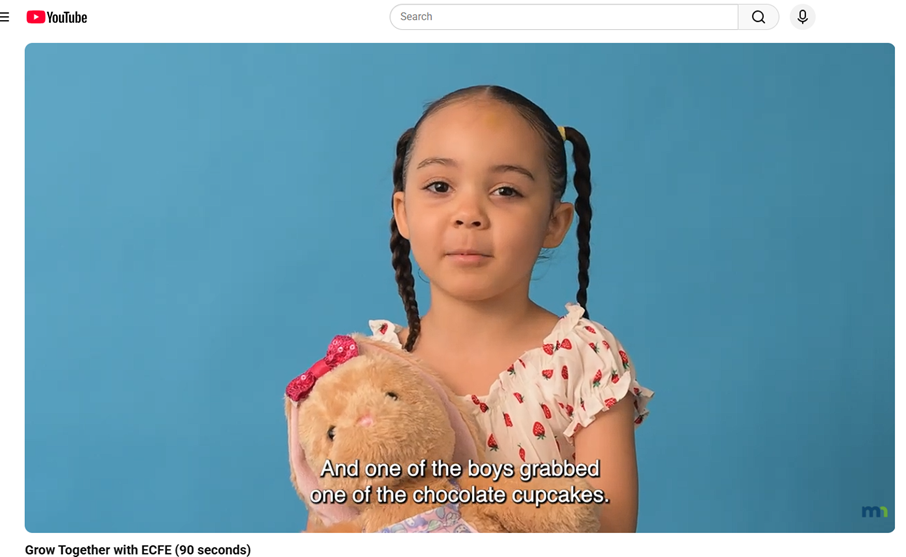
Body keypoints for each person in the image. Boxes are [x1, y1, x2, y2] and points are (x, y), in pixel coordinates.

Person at [367, 84, 654, 533]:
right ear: (403, 213)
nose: (469, 213)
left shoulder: (582, 362)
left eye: (506, 190)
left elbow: (610, 530)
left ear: (554, 224)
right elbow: (336, 522)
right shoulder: (372, 369)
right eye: (440, 186)